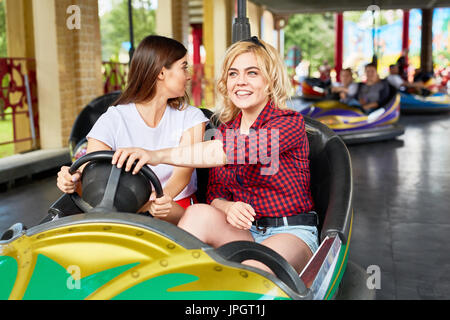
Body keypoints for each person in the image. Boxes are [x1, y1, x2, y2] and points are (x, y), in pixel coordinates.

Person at [111, 37, 319, 274]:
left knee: (251, 271)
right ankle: (168, 279)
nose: (240, 82)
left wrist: (155, 155)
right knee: (197, 212)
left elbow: (230, 152)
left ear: (270, 81)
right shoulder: (226, 130)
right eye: (233, 74)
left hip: (290, 231)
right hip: (243, 232)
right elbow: (215, 195)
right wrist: (228, 207)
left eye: (252, 73)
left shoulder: (288, 123)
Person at [56, 35, 209, 224]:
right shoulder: (114, 118)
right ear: (161, 73)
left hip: (174, 205)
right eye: (184, 67)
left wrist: (160, 198)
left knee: (130, 211)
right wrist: (73, 177)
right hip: (122, 208)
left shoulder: (192, 117)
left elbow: (182, 175)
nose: (188, 75)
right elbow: (92, 167)